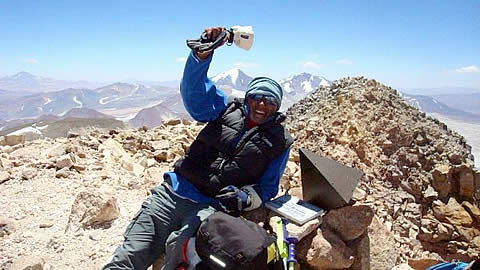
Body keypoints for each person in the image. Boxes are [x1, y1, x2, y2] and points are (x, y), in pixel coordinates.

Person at [102, 26, 293, 270]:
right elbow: (195, 93)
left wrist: (244, 198)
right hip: (172, 193)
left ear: (276, 107)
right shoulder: (224, 110)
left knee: (179, 254)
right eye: (257, 97)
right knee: (130, 255)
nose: (261, 104)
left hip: (210, 207)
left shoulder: (280, 141)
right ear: (247, 99)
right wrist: (202, 56)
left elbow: (267, 187)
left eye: (270, 101)